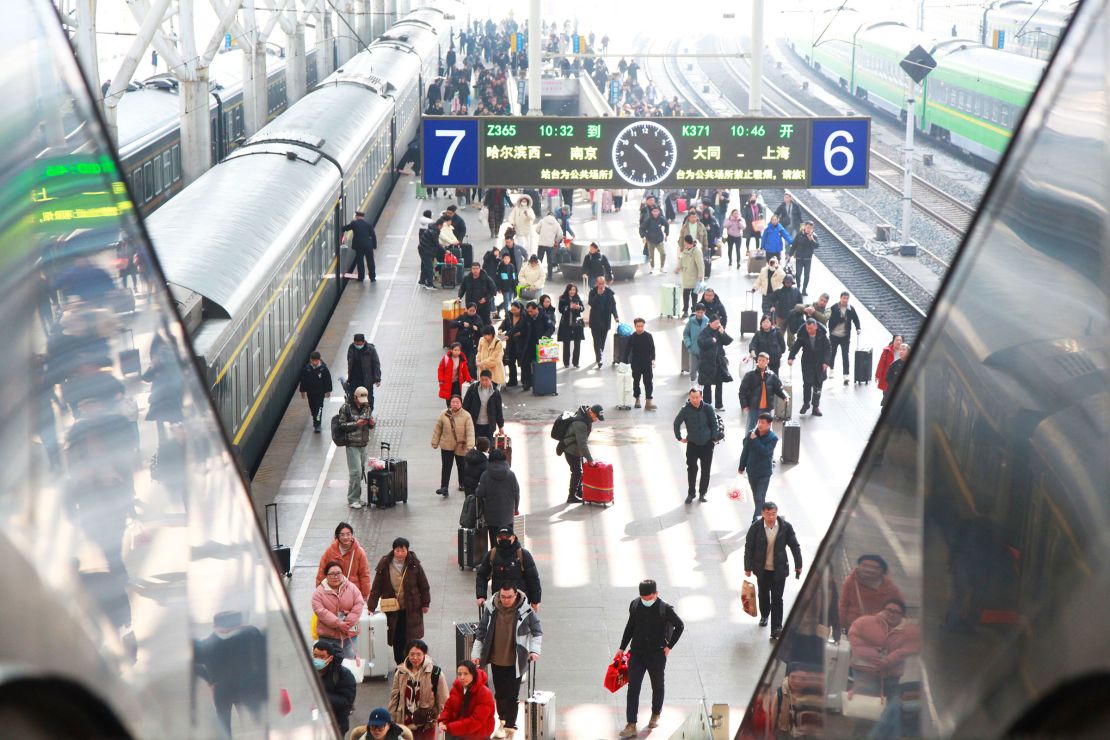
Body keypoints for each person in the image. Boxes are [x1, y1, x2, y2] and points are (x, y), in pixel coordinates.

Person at [471, 583, 542, 740]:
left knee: (512, 695)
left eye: (509, 597)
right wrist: (476, 653)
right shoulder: (491, 608)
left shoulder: (526, 610)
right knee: (500, 693)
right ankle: (503, 721)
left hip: (516, 661)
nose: (506, 600)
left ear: (516, 595)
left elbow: (537, 631)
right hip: (497, 659)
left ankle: (510, 725)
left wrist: (534, 650)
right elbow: (481, 631)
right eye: (503, 597)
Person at [616, 580, 685, 738]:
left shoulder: (664, 608)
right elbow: (630, 627)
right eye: (643, 598)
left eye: (649, 598)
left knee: (657, 685)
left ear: (656, 594)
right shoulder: (635, 605)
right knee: (633, 688)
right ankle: (631, 723)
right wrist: (622, 647)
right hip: (637, 653)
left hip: (656, 654)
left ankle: (655, 714)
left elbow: (680, 626)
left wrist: (669, 646)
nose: (646, 601)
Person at [193, 611, 267, 735]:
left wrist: (210, 680)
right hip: (246, 686)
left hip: (224, 690)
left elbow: (195, 664)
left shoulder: (208, 644)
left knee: (225, 724)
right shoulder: (250, 634)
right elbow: (264, 656)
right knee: (258, 717)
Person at [368, 538, 433, 667]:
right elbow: (376, 588)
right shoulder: (385, 564)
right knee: (396, 637)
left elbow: (423, 585)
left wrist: (426, 603)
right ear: (394, 550)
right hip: (393, 609)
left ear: (407, 550)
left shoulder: (414, 564)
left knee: (411, 637)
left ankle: (411, 662)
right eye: (398, 550)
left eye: (403, 550)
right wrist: (371, 606)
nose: (400, 553)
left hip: (412, 607)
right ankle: (400, 663)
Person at [743, 501, 803, 639]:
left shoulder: (785, 527)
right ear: (763, 513)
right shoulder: (756, 528)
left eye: (774, 514)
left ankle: (776, 627)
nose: (771, 517)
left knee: (777, 598)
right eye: (768, 514)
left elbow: (794, 546)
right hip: (762, 569)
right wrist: (748, 567)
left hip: (779, 570)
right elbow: (749, 547)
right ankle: (764, 615)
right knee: (763, 595)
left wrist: (798, 564)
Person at [847, 598, 921, 696]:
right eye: (889, 610)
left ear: (902, 615)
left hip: (891, 675)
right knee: (865, 701)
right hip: (865, 671)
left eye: (896, 612)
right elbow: (854, 636)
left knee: (886, 702)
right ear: (883, 610)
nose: (891, 614)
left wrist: (888, 661)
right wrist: (872, 655)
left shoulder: (909, 631)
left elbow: (907, 649)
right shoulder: (864, 622)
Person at [387, 640, 450, 740]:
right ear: (407, 654)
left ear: (424, 654)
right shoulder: (400, 672)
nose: (415, 658)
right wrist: (393, 717)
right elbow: (395, 696)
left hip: (426, 724)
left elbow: (444, 700)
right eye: (412, 654)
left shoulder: (435, 673)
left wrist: (443, 721)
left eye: (418, 654)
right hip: (405, 723)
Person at [673, 388, 720, 503]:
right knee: (692, 469)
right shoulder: (685, 410)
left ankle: (702, 493)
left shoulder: (708, 408)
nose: (694, 400)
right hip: (692, 444)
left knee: (706, 470)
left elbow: (715, 424)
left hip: (707, 444)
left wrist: (713, 439)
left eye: (697, 397)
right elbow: (676, 423)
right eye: (692, 397)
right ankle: (691, 493)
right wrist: (679, 437)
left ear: (701, 397)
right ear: (689, 397)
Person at [475, 527, 542, 607]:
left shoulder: (523, 554)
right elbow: (482, 576)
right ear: (497, 538)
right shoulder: (492, 554)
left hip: (519, 602)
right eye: (501, 537)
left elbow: (533, 579)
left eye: (507, 537)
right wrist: (481, 596)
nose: (504, 539)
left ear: (513, 537)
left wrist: (535, 602)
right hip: (499, 601)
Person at [839, 554, 906, 631]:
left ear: (882, 571)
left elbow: (900, 606)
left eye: (875, 567)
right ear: (859, 566)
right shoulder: (851, 581)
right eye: (864, 565)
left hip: (881, 628)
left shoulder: (889, 586)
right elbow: (843, 605)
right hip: (856, 627)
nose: (869, 569)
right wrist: (840, 626)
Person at [313, 560, 365, 657]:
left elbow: (359, 604)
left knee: (349, 663)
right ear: (326, 576)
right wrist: (338, 623)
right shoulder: (319, 592)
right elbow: (320, 611)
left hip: (349, 634)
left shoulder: (352, 587)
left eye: (338, 573)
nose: (335, 576)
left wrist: (347, 623)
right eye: (332, 574)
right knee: (329, 665)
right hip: (328, 636)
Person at [557, 403, 604, 503]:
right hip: (571, 449)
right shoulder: (581, 423)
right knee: (576, 472)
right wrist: (590, 460)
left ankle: (578, 492)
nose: (596, 420)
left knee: (580, 471)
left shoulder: (587, 417)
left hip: (577, 449)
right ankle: (571, 496)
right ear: (591, 412)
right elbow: (582, 444)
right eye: (596, 417)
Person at [437, 661, 496, 740]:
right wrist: (443, 721)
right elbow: (449, 708)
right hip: (459, 733)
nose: (462, 677)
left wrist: (450, 727)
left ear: (473, 674)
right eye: (459, 674)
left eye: (466, 674)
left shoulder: (484, 693)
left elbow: (476, 721)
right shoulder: (456, 688)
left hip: (478, 736)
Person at [431, 395, 475, 496]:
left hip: (461, 446)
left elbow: (470, 431)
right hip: (446, 444)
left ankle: (462, 483)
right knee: (446, 466)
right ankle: (444, 487)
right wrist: (435, 442)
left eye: (457, 402)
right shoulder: (444, 414)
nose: (455, 404)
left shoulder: (466, 415)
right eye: (453, 402)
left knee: (462, 466)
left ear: (461, 403)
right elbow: (438, 429)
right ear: (450, 403)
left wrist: (470, 445)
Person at [738, 413, 779, 519]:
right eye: (759, 422)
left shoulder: (773, 438)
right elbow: (745, 451)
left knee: (760, 497)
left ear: (769, 424)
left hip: (764, 473)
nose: (760, 424)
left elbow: (765, 452)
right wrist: (741, 468)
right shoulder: (751, 434)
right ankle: (762, 518)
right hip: (752, 471)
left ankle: (755, 521)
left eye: (763, 422)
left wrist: (755, 439)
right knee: (757, 498)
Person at [316, 522, 372, 600]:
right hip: (333, 593)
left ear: (352, 535)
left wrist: (365, 595)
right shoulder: (330, 551)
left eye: (348, 534)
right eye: (342, 535)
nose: (345, 537)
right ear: (337, 536)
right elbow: (322, 572)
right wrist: (319, 591)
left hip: (352, 593)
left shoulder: (359, 552)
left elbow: (364, 575)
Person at [338, 386, 374, 508]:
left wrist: (371, 424)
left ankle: (357, 498)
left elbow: (369, 424)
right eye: (360, 399)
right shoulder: (346, 408)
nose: (362, 402)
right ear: (354, 397)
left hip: (363, 444)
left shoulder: (366, 407)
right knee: (355, 472)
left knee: (361, 471)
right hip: (352, 444)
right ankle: (352, 499)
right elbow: (341, 425)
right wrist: (356, 424)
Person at [474, 450, 520, 545]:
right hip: (508, 516)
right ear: (504, 459)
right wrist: (516, 509)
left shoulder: (485, 475)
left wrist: (477, 489)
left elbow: (479, 493)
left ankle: (495, 558)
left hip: (491, 516)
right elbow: (516, 493)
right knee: (508, 541)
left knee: (494, 543)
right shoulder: (511, 475)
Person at [788, 319, 831, 416]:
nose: (809, 330)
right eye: (808, 328)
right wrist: (791, 357)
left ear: (816, 327)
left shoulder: (822, 335)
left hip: (820, 363)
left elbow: (828, 349)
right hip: (807, 362)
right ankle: (806, 403)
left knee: (818, 384)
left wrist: (826, 362)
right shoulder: (803, 335)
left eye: (811, 328)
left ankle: (815, 407)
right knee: (807, 383)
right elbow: (795, 347)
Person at [313, 641, 357, 735]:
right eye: (315, 656)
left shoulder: (344, 675)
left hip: (336, 724)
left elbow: (346, 702)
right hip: (314, 724)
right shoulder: (309, 672)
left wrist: (321, 697)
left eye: (322, 657)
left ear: (330, 658)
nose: (317, 659)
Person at [739, 353, 788, 431]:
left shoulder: (771, 375)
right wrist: (744, 405)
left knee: (767, 428)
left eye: (763, 360)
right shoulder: (750, 375)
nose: (761, 362)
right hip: (754, 406)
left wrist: (784, 396)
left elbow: (778, 388)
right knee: (751, 427)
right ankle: (749, 442)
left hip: (767, 407)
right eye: (759, 360)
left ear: (767, 361)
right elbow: (742, 391)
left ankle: (765, 443)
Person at [696, 316, 733, 410]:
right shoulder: (704, 332)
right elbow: (701, 343)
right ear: (710, 323)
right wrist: (711, 341)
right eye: (716, 323)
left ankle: (719, 405)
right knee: (707, 385)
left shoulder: (719, 331)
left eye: (718, 323)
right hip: (707, 362)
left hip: (718, 362)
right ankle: (707, 405)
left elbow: (728, 341)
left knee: (719, 384)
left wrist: (723, 332)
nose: (717, 325)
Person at [828, 291, 862, 385]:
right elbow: (830, 321)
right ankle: (831, 369)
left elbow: (856, 319)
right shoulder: (834, 308)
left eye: (847, 299)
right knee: (832, 353)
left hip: (845, 336)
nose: (845, 300)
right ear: (840, 298)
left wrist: (858, 328)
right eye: (844, 298)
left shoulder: (851, 309)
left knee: (845, 355)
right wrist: (840, 319)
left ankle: (846, 375)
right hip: (834, 335)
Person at [622, 318, 656, 410]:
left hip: (647, 363)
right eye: (638, 326)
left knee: (648, 382)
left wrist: (653, 359)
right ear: (635, 326)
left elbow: (652, 349)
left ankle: (648, 401)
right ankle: (637, 399)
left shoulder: (648, 336)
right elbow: (627, 350)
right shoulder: (632, 337)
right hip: (636, 363)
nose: (640, 328)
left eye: (641, 326)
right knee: (636, 382)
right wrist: (624, 362)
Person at [586, 276, 619, 368]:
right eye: (599, 283)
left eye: (602, 283)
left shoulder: (609, 292)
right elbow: (591, 303)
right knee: (596, 340)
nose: (601, 285)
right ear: (596, 283)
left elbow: (613, 305)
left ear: (605, 283)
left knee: (603, 340)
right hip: (595, 320)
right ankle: (599, 358)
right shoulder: (593, 291)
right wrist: (598, 295)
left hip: (605, 319)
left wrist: (616, 316)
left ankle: (599, 354)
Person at [462, 370, 504, 442]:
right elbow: (465, 406)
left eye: (486, 380)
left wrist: (501, 426)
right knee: (475, 446)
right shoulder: (473, 389)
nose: (484, 382)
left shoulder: (495, 392)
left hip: (489, 425)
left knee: (488, 447)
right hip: (474, 424)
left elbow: (498, 410)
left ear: (491, 379)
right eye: (482, 380)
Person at [346, 333, 382, 418]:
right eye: (356, 344)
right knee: (354, 397)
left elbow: (376, 364)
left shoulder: (371, 350)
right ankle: (357, 414)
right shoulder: (351, 348)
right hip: (354, 378)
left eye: (359, 344)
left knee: (368, 397)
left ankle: (369, 413)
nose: (357, 345)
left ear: (363, 342)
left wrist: (377, 378)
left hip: (367, 379)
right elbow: (349, 361)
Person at [299, 350, 332, 432]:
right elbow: (303, 381)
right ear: (310, 360)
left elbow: (327, 380)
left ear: (319, 359)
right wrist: (302, 391)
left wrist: (328, 391)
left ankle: (317, 425)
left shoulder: (323, 369)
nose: (315, 362)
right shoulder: (307, 369)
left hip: (320, 393)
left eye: (316, 360)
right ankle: (315, 417)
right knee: (313, 408)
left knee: (319, 408)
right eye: (313, 360)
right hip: (311, 393)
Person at [499, 300, 529, 388]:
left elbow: (524, 328)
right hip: (511, 342)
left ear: (519, 309)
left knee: (523, 362)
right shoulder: (509, 315)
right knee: (511, 362)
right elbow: (505, 323)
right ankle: (513, 380)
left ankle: (524, 381)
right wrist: (501, 328)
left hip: (521, 343)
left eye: (515, 310)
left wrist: (520, 333)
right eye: (512, 310)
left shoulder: (524, 316)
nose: (513, 312)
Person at [341, 211, 378, 282]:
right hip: (368, 246)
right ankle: (372, 278)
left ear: (357, 216)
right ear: (363, 217)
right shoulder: (368, 225)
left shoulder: (354, 223)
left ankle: (361, 277)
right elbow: (373, 236)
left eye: (356, 216)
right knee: (370, 261)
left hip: (359, 246)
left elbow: (345, 228)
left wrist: (339, 228)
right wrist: (374, 245)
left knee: (360, 262)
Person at [675, 235, 705, 317]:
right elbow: (681, 259)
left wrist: (700, 276)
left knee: (694, 295)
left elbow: (700, 265)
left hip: (694, 277)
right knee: (685, 294)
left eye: (686, 243)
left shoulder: (697, 251)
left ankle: (694, 311)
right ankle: (685, 310)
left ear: (690, 243)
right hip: (686, 277)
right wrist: (678, 267)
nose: (684, 245)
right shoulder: (685, 250)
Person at [787, 221, 818, 296]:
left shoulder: (814, 236)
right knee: (798, 274)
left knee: (807, 275)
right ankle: (798, 287)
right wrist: (789, 254)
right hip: (799, 258)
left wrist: (811, 240)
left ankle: (804, 289)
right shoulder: (800, 234)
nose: (809, 229)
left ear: (813, 229)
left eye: (811, 228)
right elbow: (794, 245)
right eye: (807, 227)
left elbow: (816, 246)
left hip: (808, 259)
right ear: (804, 227)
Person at [557, 283, 585, 368]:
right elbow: (561, 310)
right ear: (567, 290)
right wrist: (569, 307)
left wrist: (578, 307)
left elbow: (582, 308)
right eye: (571, 290)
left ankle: (575, 362)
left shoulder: (577, 298)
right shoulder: (563, 298)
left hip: (577, 323)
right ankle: (566, 362)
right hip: (566, 323)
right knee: (566, 343)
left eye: (574, 290)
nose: (572, 291)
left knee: (577, 342)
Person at [451, 303, 485, 372]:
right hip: (461, 345)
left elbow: (482, 333)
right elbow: (451, 324)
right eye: (470, 310)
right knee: (461, 363)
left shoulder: (478, 318)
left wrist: (477, 329)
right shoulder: (462, 317)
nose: (472, 312)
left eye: (474, 311)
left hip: (472, 345)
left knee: (471, 365)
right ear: (467, 309)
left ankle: (472, 379)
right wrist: (461, 324)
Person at [682, 303, 709, 384]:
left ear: (704, 312)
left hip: (704, 351)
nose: (700, 314)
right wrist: (689, 345)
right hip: (693, 350)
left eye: (702, 312)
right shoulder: (691, 321)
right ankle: (693, 387)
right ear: (695, 311)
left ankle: (700, 389)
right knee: (693, 370)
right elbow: (686, 333)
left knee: (703, 370)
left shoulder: (707, 321)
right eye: (698, 312)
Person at [639, 205, 669, 273]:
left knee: (663, 253)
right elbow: (641, 228)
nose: (655, 213)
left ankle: (662, 267)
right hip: (650, 240)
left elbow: (667, 224)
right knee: (651, 255)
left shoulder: (661, 219)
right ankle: (652, 267)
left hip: (659, 240)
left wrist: (666, 234)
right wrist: (643, 236)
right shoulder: (648, 220)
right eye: (654, 211)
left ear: (659, 212)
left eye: (657, 211)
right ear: (651, 212)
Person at [533, 212, 563, 278]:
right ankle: (549, 276)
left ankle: (538, 275)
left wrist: (541, 234)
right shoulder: (556, 223)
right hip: (550, 244)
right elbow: (560, 234)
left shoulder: (542, 221)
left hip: (541, 243)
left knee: (539, 260)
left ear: (547, 215)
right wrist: (556, 241)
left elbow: (537, 230)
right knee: (549, 261)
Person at [460, 436, 490, 501]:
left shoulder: (469, 457)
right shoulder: (485, 463)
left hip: (468, 489)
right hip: (478, 492)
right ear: (487, 449)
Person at [417, 219, 439, 289]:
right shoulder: (434, 232)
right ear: (440, 225)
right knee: (429, 267)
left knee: (426, 267)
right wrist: (445, 251)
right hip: (426, 251)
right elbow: (437, 244)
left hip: (424, 250)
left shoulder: (430, 230)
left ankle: (422, 281)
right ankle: (430, 284)